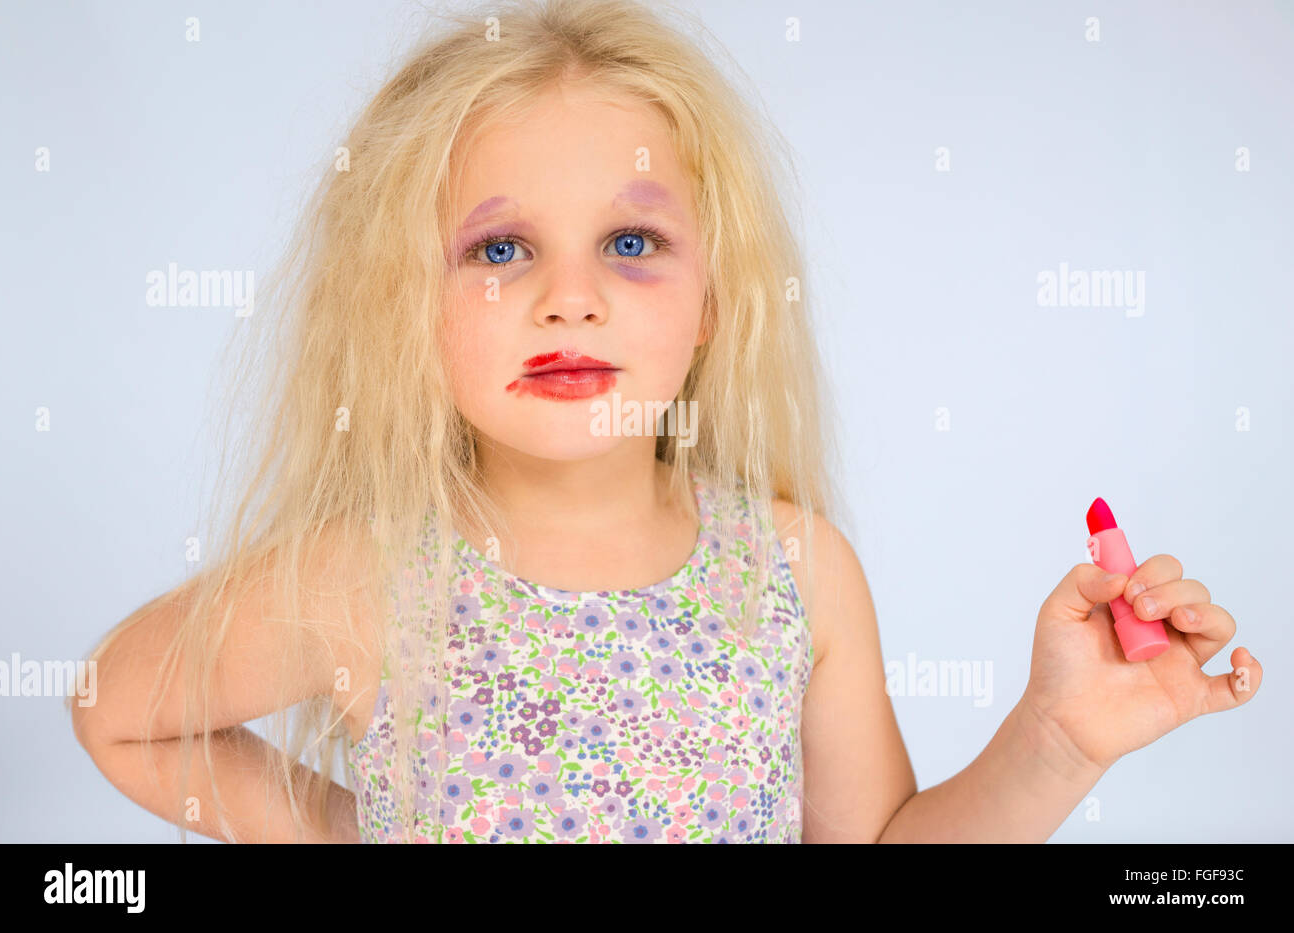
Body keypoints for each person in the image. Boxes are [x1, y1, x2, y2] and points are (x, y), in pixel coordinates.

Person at [70, 0, 1261, 844]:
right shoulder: (367, 580)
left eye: (630, 244)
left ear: (710, 308)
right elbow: (120, 717)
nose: (570, 295)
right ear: (402, 308)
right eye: (500, 248)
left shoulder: (792, 570)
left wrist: (1057, 739)